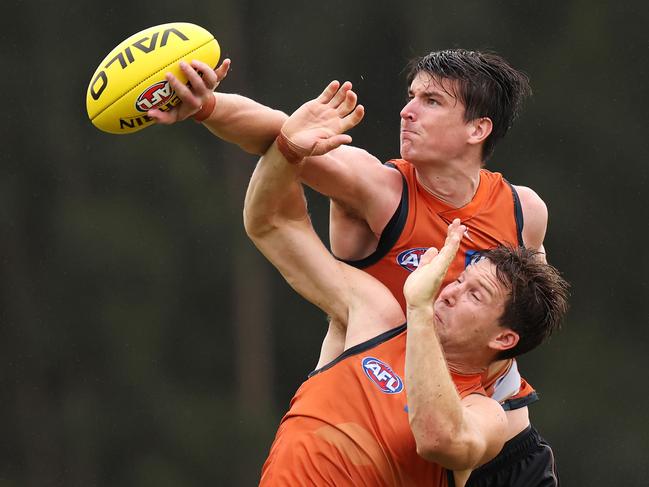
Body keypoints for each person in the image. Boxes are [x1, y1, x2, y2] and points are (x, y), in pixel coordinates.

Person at [150, 49, 557, 485]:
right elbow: (279, 132)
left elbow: (530, 309)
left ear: (478, 129)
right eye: (411, 96)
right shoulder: (378, 191)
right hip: (381, 414)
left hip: (493, 440)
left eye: (431, 101)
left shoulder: (522, 210)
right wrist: (207, 106)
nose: (406, 111)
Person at [242, 81, 569, 486]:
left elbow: (439, 441)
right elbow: (273, 223)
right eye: (460, 279)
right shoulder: (373, 315)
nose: (448, 290)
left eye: (474, 294)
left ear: (503, 339)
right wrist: (288, 150)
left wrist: (418, 309)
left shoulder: (482, 413)